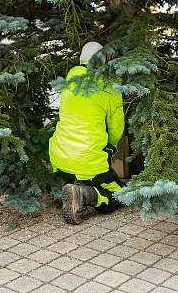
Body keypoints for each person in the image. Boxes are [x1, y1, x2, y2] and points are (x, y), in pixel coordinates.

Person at [48, 41, 125, 224]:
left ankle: (73, 185)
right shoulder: (110, 88)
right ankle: (85, 194)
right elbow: (116, 129)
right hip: (88, 161)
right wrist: (110, 149)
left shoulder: (70, 82)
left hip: (59, 156)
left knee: (84, 171)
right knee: (121, 194)